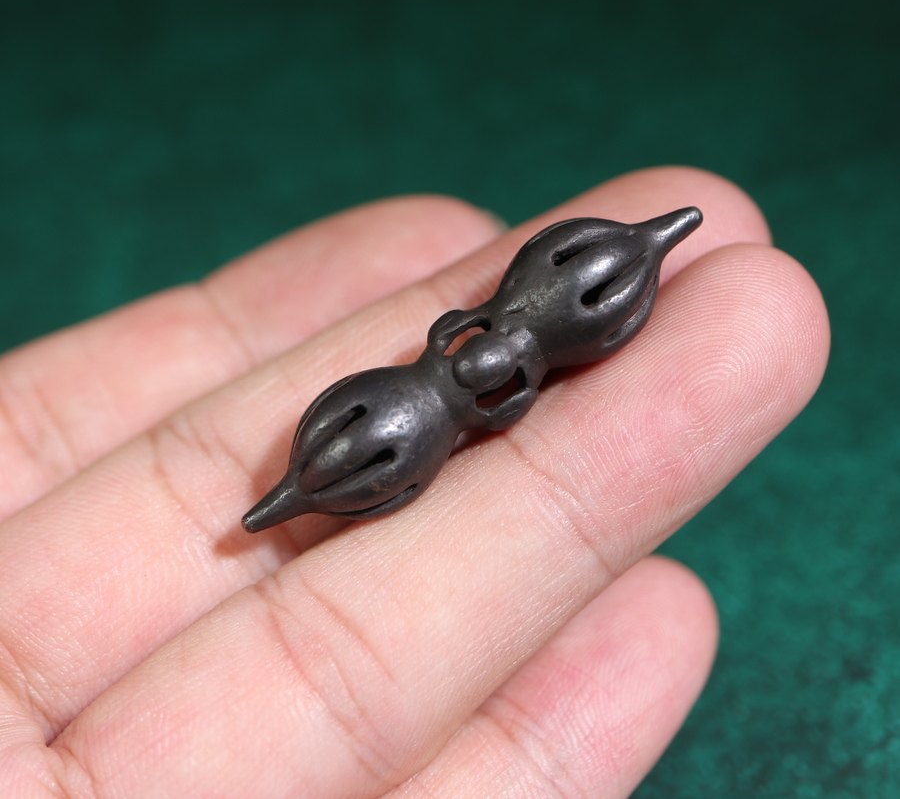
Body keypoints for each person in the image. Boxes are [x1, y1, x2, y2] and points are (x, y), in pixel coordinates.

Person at [0, 167, 828, 797]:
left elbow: (487, 380)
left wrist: (481, 379)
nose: (488, 359)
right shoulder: (457, 381)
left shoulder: (499, 368)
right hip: (421, 406)